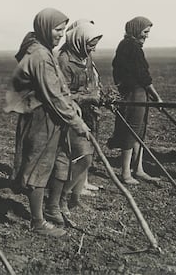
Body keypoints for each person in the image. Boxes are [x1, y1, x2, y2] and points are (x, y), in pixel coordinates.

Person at [4, 8, 90, 237]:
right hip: (41, 118)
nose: (61, 34)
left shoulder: (43, 49)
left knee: (46, 164)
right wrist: (77, 123)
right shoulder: (41, 56)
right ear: (44, 27)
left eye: (63, 30)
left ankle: (47, 211)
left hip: (49, 116)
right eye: (57, 29)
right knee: (39, 167)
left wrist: (72, 104)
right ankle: (37, 222)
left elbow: (59, 89)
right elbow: (52, 95)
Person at [52, 21, 103, 217]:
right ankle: (61, 199)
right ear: (80, 40)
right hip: (69, 115)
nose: (94, 49)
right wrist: (88, 97)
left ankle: (75, 199)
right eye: (91, 44)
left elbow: (91, 82)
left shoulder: (85, 57)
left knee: (86, 158)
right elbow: (60, 95)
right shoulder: (64, 60)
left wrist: (98, 95)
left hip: (87, 113)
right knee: (81, 157)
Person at [107, 16, 162, 184]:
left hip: (135, 91)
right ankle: (125, 173)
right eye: (145, 32)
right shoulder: (132, 47)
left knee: (139, 130)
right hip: (134, 93)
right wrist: (157, 97)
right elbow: (143, 76)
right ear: (137, 30)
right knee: (132, 130)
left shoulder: (127, 45)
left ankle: (138, 169)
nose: (146, 35)